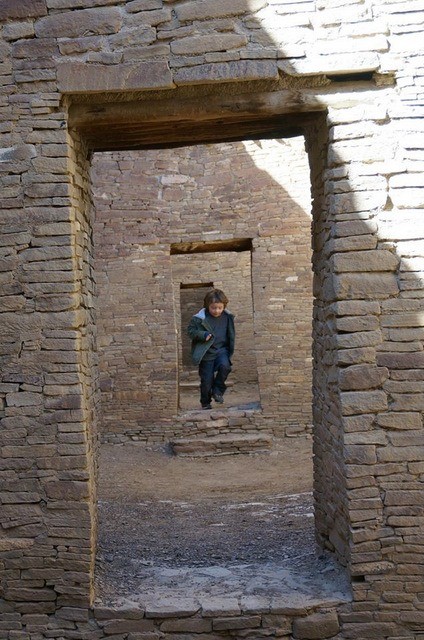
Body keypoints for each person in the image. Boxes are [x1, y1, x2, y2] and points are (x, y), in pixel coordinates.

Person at [187, 289, 235, 410]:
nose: (217, 311)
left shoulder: (228, 317)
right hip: (206, 353)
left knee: (225, 367)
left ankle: (217, 390)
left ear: (224, 306)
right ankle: (205, 402)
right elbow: (190, 331)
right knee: (206, 380)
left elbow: (230, 333)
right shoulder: (199, 318)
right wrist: (202, 335)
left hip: (221, 350)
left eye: (220, 308)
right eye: (213, 308)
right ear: (207, 305)